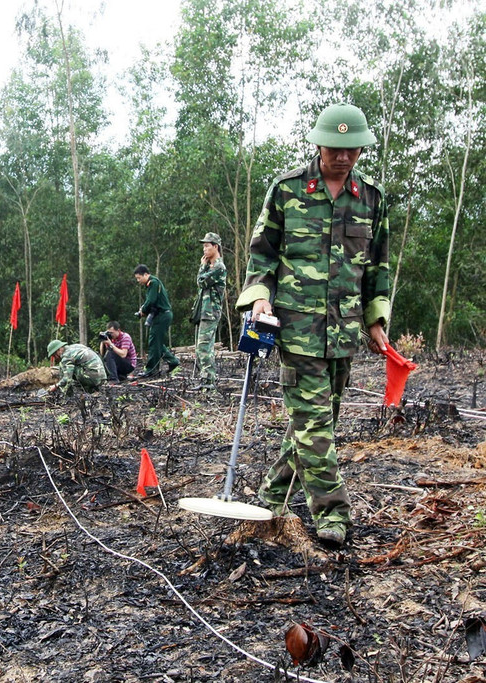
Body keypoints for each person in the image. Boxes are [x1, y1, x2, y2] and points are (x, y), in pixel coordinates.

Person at [235, 103, 390, 546]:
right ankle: (332, 514)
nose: (342, 157)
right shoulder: (286, 191)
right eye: (334, 148)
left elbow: (378, 266)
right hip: (297, 328)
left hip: (345, 331)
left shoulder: (372, 199)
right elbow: (261, 254)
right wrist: (260, 295)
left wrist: (376, 320)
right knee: (316, 425)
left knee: (315, 422)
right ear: (318, 143)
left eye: (351, 149)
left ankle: (272, 496)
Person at [129, 264, 180, 379]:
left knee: (153, 342)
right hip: (160, 315)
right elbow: (150, 301)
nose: (138, 280)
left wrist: (143, 311)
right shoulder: (151, 284)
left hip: (162, 315)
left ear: (146, 274)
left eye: (139, 278)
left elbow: (151, 300)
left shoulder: (153, 283)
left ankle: (151, 370)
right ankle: (172, 361)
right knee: (156, 342)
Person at [190, 232, 227, 390]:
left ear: (215, 247)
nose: (204, 249)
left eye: (207, 245)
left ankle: (208, 382)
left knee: (204, 347)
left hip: (211, 312)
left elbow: (201, 282)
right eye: (203, 246)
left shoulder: (218, 267)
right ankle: (206, 379)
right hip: (205, 312)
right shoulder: (211, 266)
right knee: (203, 347)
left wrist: (202, 266)